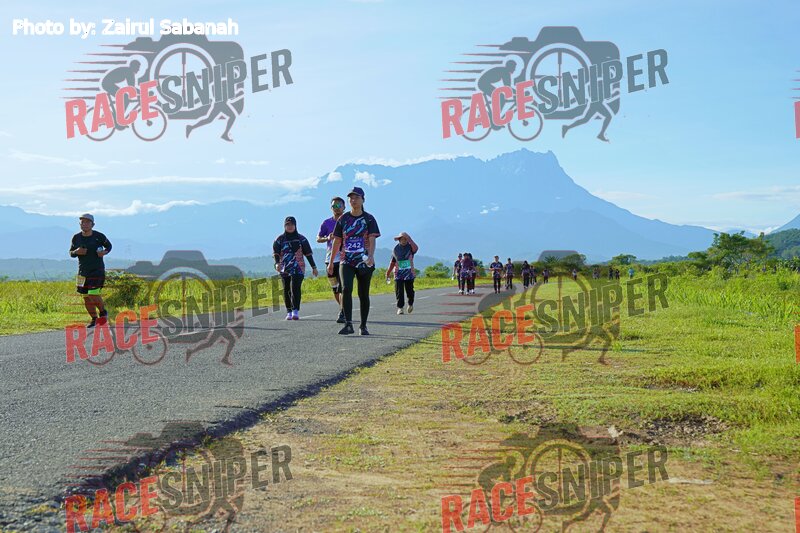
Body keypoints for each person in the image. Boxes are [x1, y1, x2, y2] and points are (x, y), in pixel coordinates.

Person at [328, 187, 381, 335]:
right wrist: (331, 262)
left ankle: (363, 326)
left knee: (363, 293)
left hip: (364, 261)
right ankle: (348, 324)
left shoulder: (369, 219)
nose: (353, 200)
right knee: (346, 289)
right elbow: (337, 241)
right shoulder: (343, 219)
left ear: (363, 200)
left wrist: (371, 256)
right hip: (346, 260)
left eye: (356, 197)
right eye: (351, 198)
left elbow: (372, 239)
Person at [69, 214, 112, 328]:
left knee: (93, 293)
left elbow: (109, 246)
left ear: (93, 224)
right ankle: (94, 319)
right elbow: (71, 253)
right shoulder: (76, 237)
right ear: (80, 224)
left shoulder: (99, 236)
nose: (84, 224)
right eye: (82, 222)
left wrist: (104, 252)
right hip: (82, 272)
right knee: (86, 297)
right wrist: (76, 252)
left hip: (97, 270)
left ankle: (103, 313)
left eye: (87, 222)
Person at [273, 216, 318, 320]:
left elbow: (308, 254)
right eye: (287, 225)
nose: (290, 226)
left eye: (292, 224)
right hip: (284, 268)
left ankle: (295, 310)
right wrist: (277, 263)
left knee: (295, 288)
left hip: (298, 267)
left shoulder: (301, 239)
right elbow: (276, 253)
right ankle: (289, 311)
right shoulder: (279, 239)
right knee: (287, 289)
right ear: (284, 226)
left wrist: (314, 267)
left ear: (295, 225)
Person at [318, 197, 346, 323]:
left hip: (344, 259)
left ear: (344, 207)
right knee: (335, 288)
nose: (337, 208)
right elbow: (318, 238)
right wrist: (327, 238)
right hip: (330, 259)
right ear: (331, 208)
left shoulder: (348, 221)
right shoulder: (326, 223)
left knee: (343, 287)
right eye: (334, 206)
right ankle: (343, 308)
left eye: (339, 205)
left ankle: (343, 311)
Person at [386, 232, 418, 315]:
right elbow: (392, 262)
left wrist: (410, 239)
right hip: (398, 273)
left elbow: (416, 249)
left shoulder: (411, 248)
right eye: (402, 239)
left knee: (410, 290)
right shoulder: (395, 250)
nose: (403, 241)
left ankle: (410, 303)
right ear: (399, 240)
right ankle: (400, 308)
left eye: (405, 239)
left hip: (409, 273)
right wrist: (388, 272)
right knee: (399, 291)